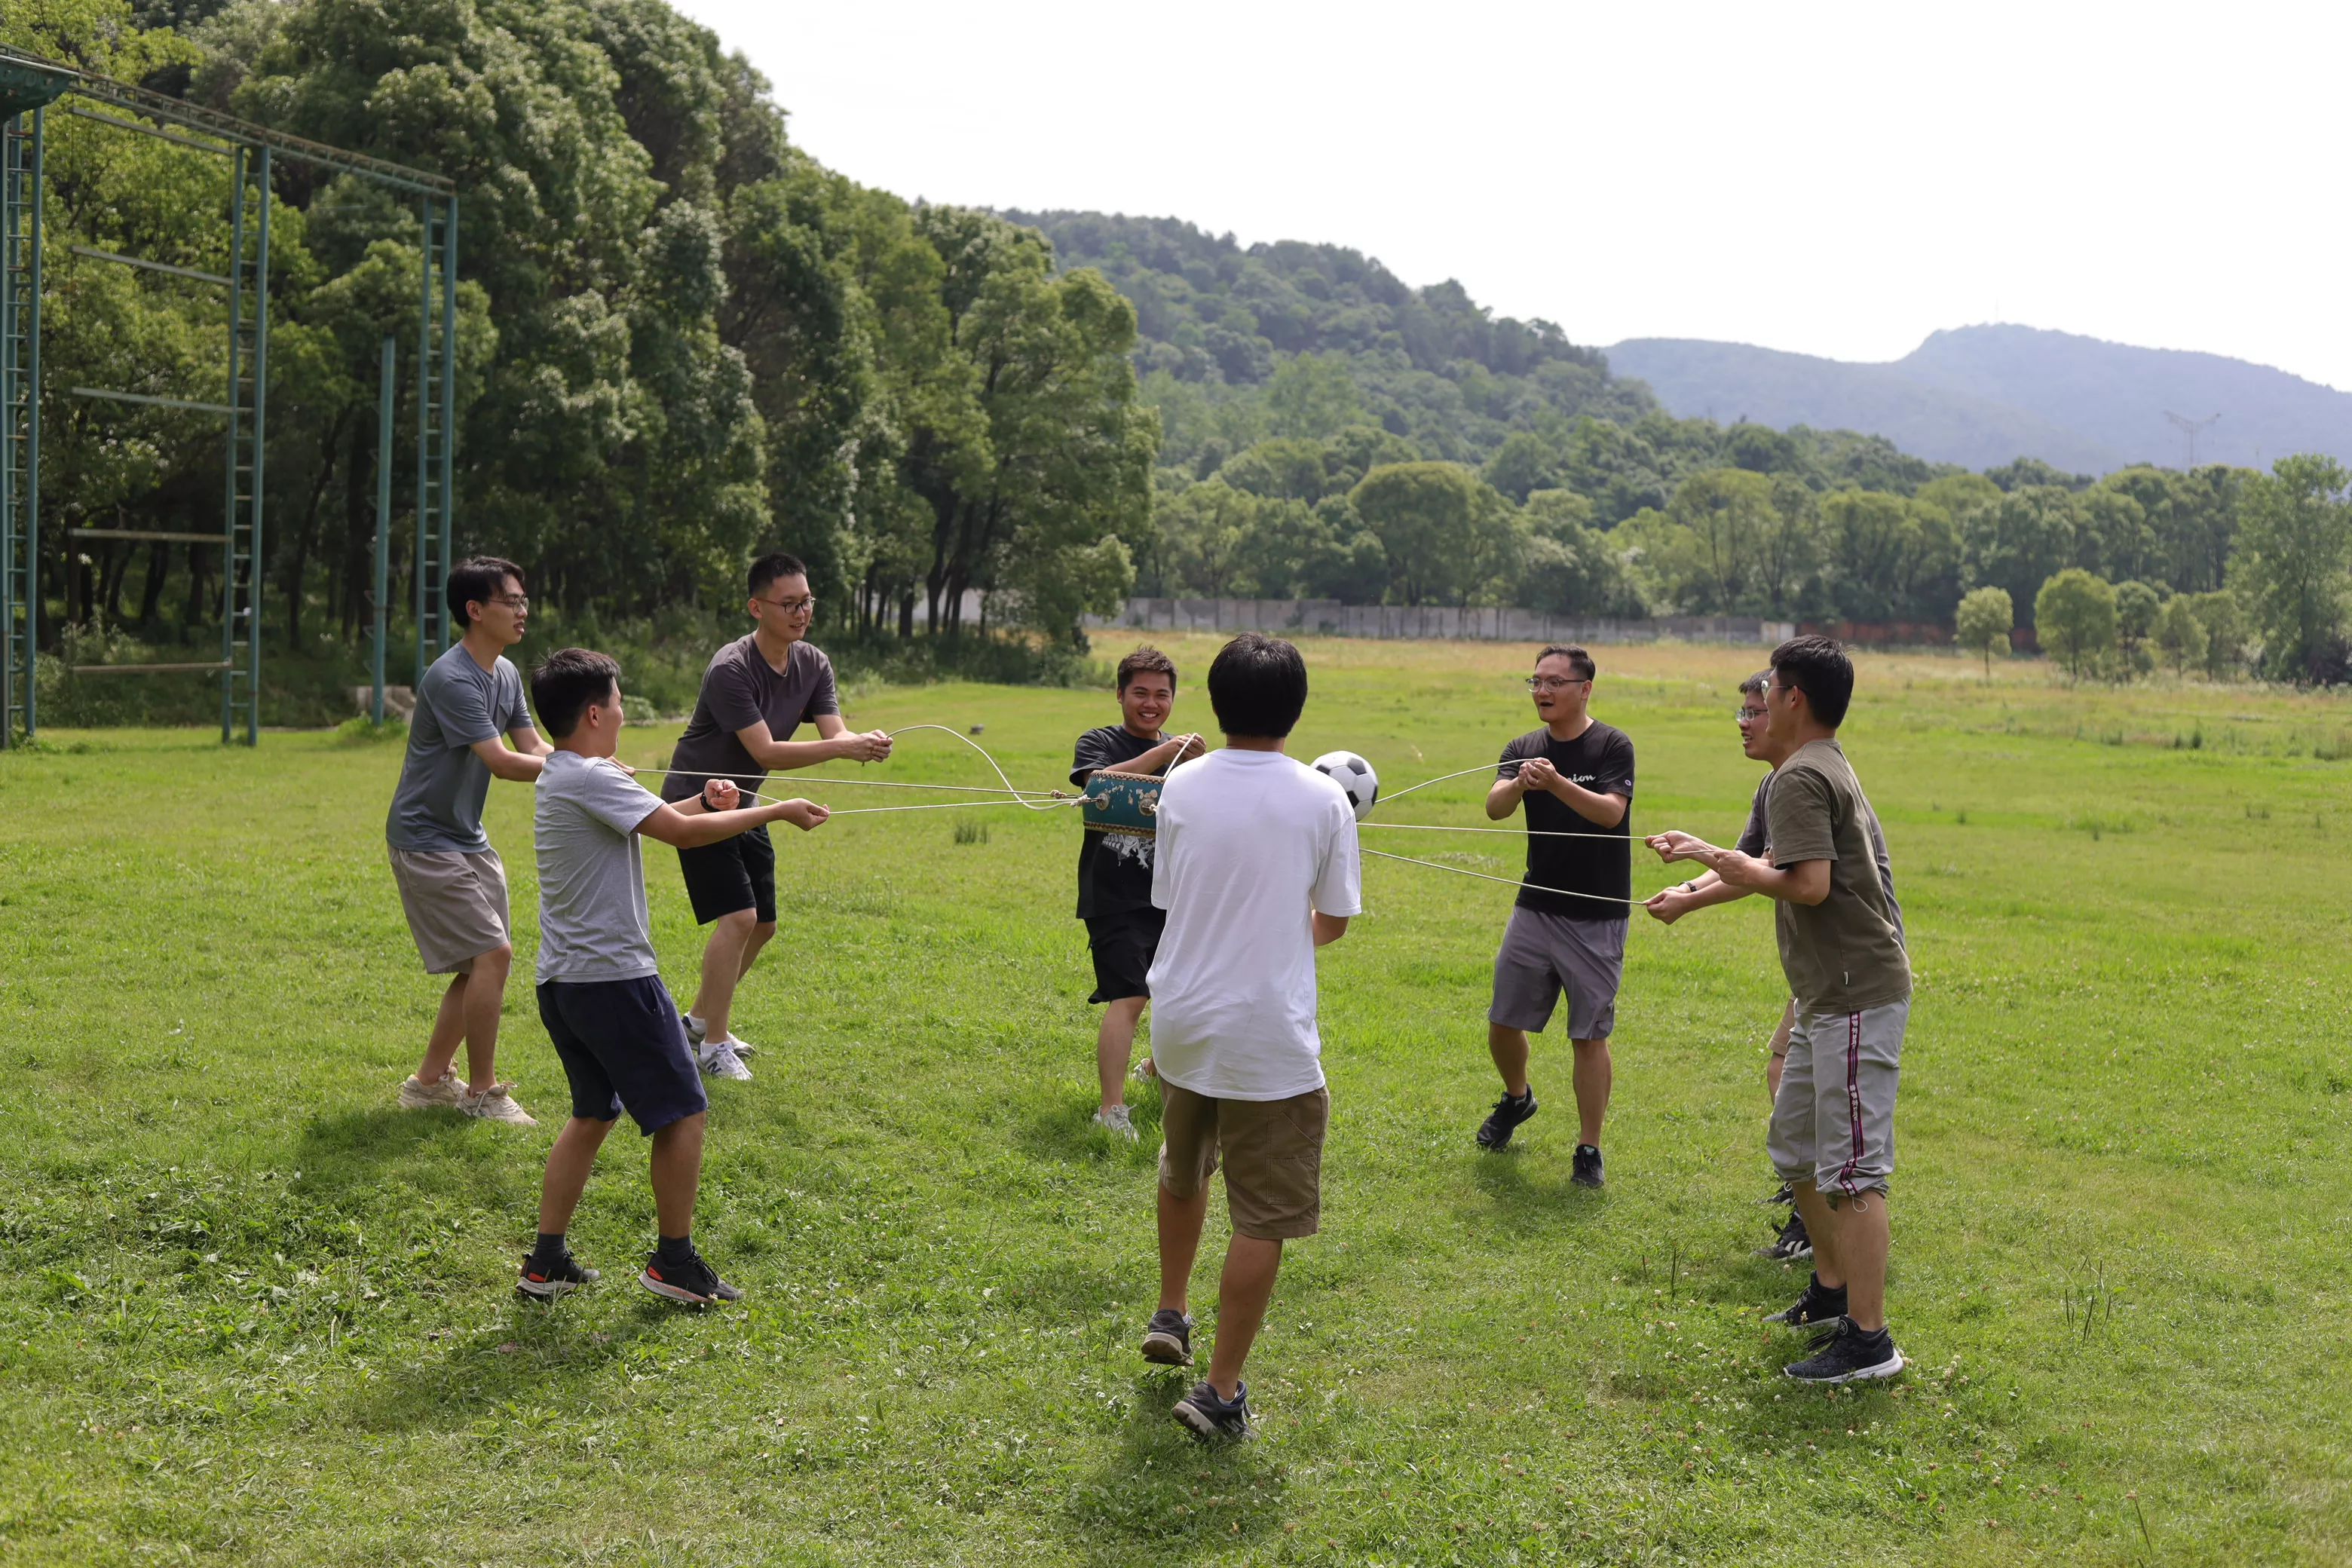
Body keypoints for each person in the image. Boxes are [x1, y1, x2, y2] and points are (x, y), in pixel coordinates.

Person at [516, 648, 829, 1307]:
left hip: (564, 982)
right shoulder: (593, 777)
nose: (626, 714)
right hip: (613, 980)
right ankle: (673, 1264)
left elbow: (668, 817)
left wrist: (707, 795)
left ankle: (544, 1264)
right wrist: (772, 811)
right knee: (685, 1113)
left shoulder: (566, 772)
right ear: (596, 712)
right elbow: (684, 837)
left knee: (592, 1113)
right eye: (621, 702)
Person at [1643, 635, 1910, 1384]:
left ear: (1795, 699)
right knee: (1795, 1147)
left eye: (1766, 695)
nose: (1748, 713)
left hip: (1856, 994)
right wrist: (1695, 897)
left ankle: (1870, 1341)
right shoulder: (1805, 771)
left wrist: (1703, 853)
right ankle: (1830, 1291)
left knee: (1854, 1171)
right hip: (1828, 996)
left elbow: (1808, 885)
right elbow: (1776, 869)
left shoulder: (1802, 778)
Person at [1136, 633, 1360, 1441]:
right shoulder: (1325, 798)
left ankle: (1171, 1307)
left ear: (1217, 700)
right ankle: (1219, 1389)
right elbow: (1329, 922)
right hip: (1267, 1033)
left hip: (1182, 1022)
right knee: (1263, 1216)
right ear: (1296, 710)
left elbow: (1173, 894)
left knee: (1183, 1166)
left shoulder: (1183, 785)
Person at [657, 553, 890, 1079]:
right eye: (788, 603)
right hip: (699, 803)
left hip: (746, 803)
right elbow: (764, 751)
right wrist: (842, 749)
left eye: (806, 601)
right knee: (738, 918)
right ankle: (713, 1047)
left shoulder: (813, 663)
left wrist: (860, 743)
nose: (801, 612)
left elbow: (835, 734)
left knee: (763, 925)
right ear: (755, 607)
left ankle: (697, 1020)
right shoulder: (731, 669)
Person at [384, 556, 553, 1125]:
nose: (523, 611)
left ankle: (429, 1082)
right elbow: (505, 764)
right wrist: (579, 769)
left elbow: (533, 746)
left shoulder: (505, 673)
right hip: (425, 840)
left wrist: (592, 763)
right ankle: (483, 1092)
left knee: (479, 963)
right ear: (476, 610)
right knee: (494, 954)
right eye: (512, 601)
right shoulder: (453, 677)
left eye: (524, 600)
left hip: (466, 837)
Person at [1473, 644, 1635, 1188]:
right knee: (1502, 1022)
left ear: (1585, 689)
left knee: (1587, 1035)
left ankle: (1589, 1148)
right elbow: (1495, 806)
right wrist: (1520, 782)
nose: (1542, 691)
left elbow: (1612, 814)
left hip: (1597, 913)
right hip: (1534, 906)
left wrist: (1559, 783)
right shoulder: (1524, 748)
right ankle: (1517, 1098)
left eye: (1554, 682)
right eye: (1535, 681)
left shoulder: (1612, 744)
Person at [1070, 647, 1205, 1141]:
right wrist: (1163, 755)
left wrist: (1202, 768)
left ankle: (1153, 1066)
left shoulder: (1182, 754)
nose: (1151, 704)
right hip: (1114, 895)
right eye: (1141, 693)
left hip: (1171, 895)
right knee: (1129, 995)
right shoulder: (1099, 741)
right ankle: (1111, 1110)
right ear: (1121, 693)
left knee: (1181, 990)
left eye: (1162, 694)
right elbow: (1098, 785)